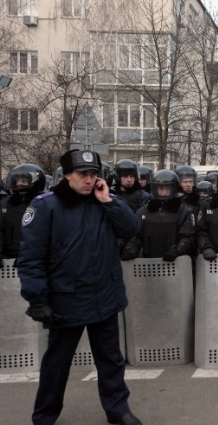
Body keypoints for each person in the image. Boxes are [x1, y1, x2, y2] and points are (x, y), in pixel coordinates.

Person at [17, 149, 142, 425]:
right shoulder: (45, 206)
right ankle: (45, 415)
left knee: (111, 360)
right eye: (82, 174)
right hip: (66, 301)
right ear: (68, 176)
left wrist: (108, 200)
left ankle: (117, 409)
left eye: (93, 174)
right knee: (57, 365)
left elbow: (132, 229)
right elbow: (31, 258)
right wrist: (37, 299)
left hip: (105, 296)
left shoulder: (105, 201)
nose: (88, 180)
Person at [121, 170, 194, 262]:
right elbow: (136, 236)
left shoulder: (183, 211)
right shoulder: (143, 211)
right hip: (149, 262)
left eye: (167, 189)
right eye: (161, 189)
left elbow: (187, 237)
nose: (164, 193)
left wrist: (178, 250)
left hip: (175, 262)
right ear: (155, 189)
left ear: (174, 189)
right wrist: (131, 249)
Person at [0, 164, 46, 261]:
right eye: (17, 181)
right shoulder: (5, 204)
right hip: (9, 258)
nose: (19, 184)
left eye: (24, 181)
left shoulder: (43, 204)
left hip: (35, 259)